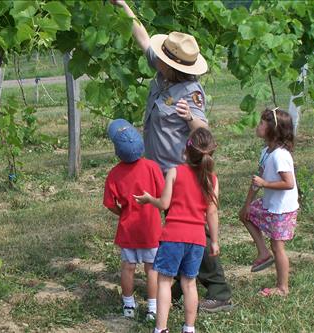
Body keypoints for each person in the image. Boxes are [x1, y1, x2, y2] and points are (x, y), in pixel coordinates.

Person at [110, 0, 233, 312]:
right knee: (174, 231)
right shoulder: (163, 74)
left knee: (190, 230)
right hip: (158, 168)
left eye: (163, 58)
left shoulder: (190, 92)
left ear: (176, 67)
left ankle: (218, 290)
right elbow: (141, 36)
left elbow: (203, 131)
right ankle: (180, 280)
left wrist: (189, 116)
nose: (157, 59)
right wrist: (124, 6)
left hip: (177, 172)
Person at [134, 127, 220, 333]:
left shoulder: (174, 172)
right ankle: (189, 328)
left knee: (164, 281)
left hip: (173, 236)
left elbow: (164, 204)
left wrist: (148, 199)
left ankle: (161, 329)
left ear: (186, 150)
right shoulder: (213, 179)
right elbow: (212, 214)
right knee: (189, 284)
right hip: (197, 239)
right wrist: (214, 241)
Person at [103, 119, 165, 320]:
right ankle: (153, 308)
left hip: (128, 229)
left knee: (128, 268)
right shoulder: (152, 167)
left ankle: (128, 305)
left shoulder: (114, 174)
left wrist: (123, 213)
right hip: (151, 228)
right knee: (151, 269)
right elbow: (163, 195)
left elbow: (110, 203)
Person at [239, 107, 298, 296]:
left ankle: (282, 288)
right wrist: (247, 204)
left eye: (262, 123)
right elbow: (258, 180)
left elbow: (288, 183)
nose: (258, 126)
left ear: (273, 129)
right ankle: (263, 253)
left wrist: (265, 183)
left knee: (278, 247)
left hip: (282, 209)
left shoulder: (280, 155)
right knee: (245, 215)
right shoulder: (266, 151)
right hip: (270, 205)